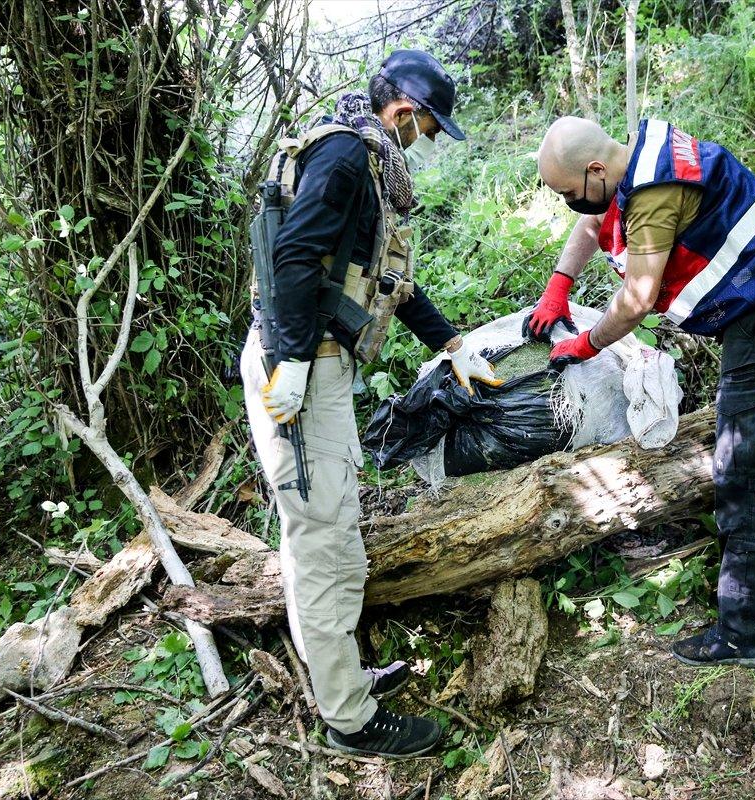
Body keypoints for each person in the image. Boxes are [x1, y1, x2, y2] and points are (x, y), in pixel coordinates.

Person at [240, 50, 500, 758]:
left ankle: (344, 678)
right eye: (430, 127)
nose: (429, 141)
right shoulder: (351, 157)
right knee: (321, 542)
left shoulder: (369, 169)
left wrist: (452, 345)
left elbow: (387, 285)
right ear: (403, 112)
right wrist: (291, 360)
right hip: (296, 368)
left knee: (340, 530)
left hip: (320, 368)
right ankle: (348, 720)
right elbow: (293, 258)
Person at [528, 116, 755, 668]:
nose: (572, 204)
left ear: (595, 169)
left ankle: (747, 633)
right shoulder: (635, 163)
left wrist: (588, 344)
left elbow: (638, 296)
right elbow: (589, 224)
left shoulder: (653, 192)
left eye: (570, 192)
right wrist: (559, 287)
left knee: (746, 471)